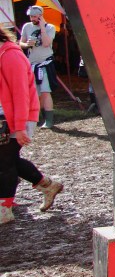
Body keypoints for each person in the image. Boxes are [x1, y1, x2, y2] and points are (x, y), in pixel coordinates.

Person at [2, 24, 63, 223]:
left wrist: (19, 127)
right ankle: (47, 185)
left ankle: (5, 208)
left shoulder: (11, 55)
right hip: (6, 118)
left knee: (4, 163)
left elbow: (21, 94)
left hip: (15, 119)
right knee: (8, 160)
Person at [18, 6, 57, 128]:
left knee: (46, 91)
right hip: (32, 64)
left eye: (35, 16)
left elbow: (46, 43)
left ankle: (49, 121)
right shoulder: (27, 26)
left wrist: (42, 27)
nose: (32, 18)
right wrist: (26, 44)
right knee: (34, 92)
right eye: (31, 16)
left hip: (45, 63)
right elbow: (20, 43)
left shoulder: (50, 27)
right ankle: (35, 118)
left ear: (40, 15)